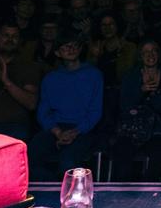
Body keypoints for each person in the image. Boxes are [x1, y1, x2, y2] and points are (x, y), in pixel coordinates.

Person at [28, 34, 104, 180]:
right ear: (57, 52)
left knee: (68, 160)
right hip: (55, 128)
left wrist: (76, 132)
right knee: (30, 157)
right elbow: (43, 112)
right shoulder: (51, 78)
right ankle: (50, 192)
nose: (70, 49)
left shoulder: (94, 74)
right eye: (65, 46)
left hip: (83, 129)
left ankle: (68, 198)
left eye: (74, 45)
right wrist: (57, 132)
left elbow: (95, 111)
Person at [115, 39, 161, 181]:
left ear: (159, 54)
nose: (150, 55)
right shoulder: (130, 77)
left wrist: (153, 94)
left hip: (158, 132)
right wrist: (141, 90)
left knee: (160, 155)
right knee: (122, 154)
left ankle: (149, 197)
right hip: (131, 130)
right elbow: (124, 106)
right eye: (146, 52)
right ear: (140, 56)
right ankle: (124, 198)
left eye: (154, 51)